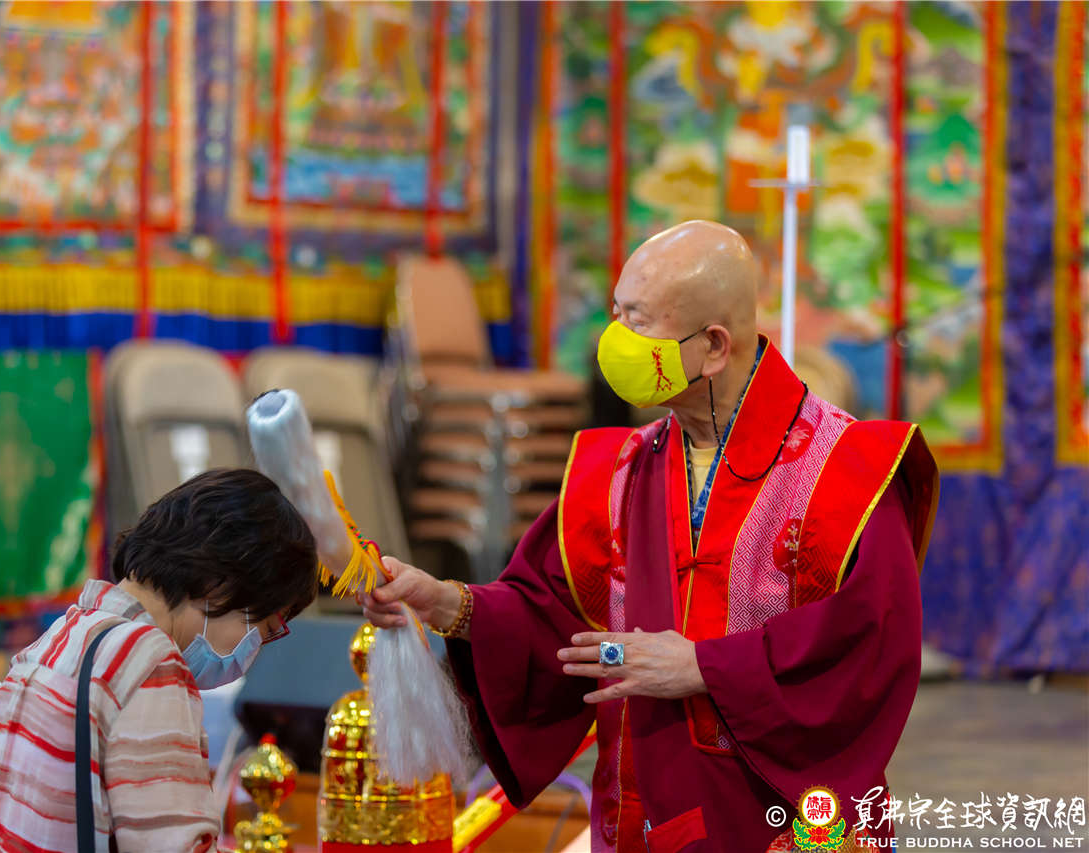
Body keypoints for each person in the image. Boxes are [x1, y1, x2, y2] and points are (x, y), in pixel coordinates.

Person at [364, 221, 939, 852]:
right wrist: (446, 603)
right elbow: (552, 620)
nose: (614, 340)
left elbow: (868, 649)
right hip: (640, 814)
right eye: (616, 314)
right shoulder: (618, 471)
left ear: (713, 346)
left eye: (637, 323)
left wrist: (704, 667)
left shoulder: (844, 471)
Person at [0, 467, 318, 853]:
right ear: (218, 585)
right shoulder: (150, 664)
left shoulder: (57, 639)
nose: (254, 649)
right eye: (264, 628)